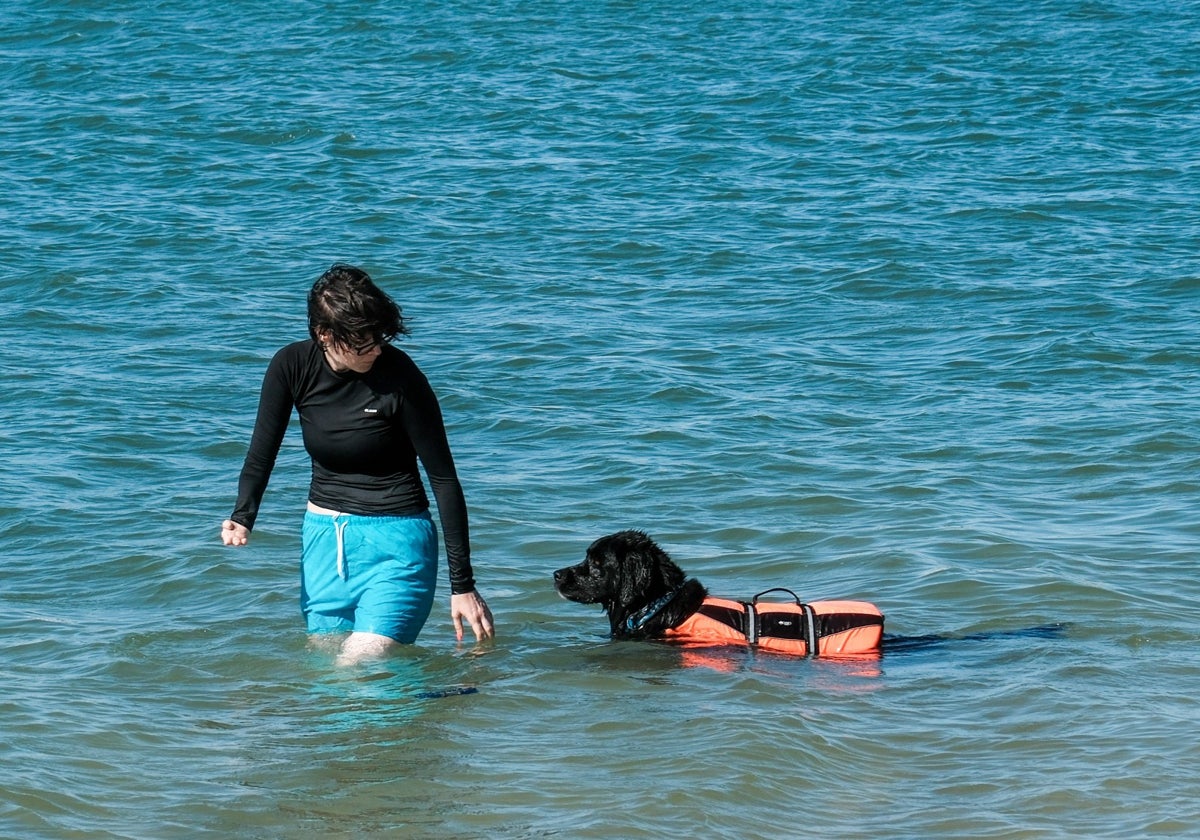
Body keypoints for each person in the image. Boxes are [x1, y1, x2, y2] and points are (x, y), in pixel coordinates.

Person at [221, 263, 494, 663]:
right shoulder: (291, 366)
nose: (377, 349)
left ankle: (442, 703)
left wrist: (463, 586)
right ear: (324, 335)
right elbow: (263, 450)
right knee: (330, 676)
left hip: (398, 545)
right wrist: (243, 514)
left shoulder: (402, 379)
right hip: (323, 544)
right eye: (364, 343)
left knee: (358, 664)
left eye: (379, 338)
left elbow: (444, 481)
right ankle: (432, 708)